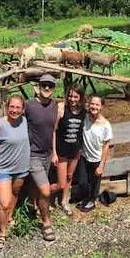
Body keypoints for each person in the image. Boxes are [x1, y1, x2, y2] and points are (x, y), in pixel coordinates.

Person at [0, 74, 58, 241]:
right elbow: (11, 115)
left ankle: (29, 208)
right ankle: (46, 223)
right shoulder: (30, 106)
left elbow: (54, 129)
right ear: (38, 86)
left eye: (50, 85)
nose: (47, 88)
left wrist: (54, 152)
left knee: (23, 189)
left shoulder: (56, 106)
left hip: (45, 155)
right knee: (45, 190)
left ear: (54, 88)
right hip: (32, 155)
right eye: (44, 85)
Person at [0, 94, 30, 249]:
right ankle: (2, 234)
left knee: (15, 193)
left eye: (18, 107)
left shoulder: (26, 122)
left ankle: (9, 217)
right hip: (3, 169)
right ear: (7, 107)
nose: (14, 110)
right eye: (12, 106)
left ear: (23, 109)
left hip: (21, 168)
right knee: (4, 202)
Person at [50, 83, 86, 215]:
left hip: (75, 152)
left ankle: (64, 201)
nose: (72, 99)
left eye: (75, 96)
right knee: (61, 183)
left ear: (81, 97)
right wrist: (54, 152)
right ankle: (41, 195)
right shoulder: (62, 109)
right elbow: (53, 131)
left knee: (70, 177)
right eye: (70, 96)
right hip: (62, 151)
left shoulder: (83, 112)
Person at [77, 94, 113, 213]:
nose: (94, 106)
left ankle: (92, 201)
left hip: (97, 158)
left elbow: (106, 145)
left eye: (97, 104)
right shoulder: (85, 117)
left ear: (101, 106)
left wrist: (101, 165)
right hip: (84, 156)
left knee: (94, 183)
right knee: (82, 181)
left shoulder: (106, 125)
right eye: (92, 104)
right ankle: (87, 198)